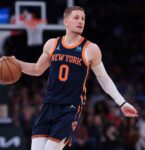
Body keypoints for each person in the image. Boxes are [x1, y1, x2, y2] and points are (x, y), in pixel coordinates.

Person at [11, 6, 138, 150]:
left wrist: (121, 102)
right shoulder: (52, 44)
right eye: (76, 18)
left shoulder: (90, 48)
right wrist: (16, 63)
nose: (81, 21)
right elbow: (36, 69)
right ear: (66, 22)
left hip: (70, 108)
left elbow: (103, 78)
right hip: (49, 105)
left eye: (83, 18)